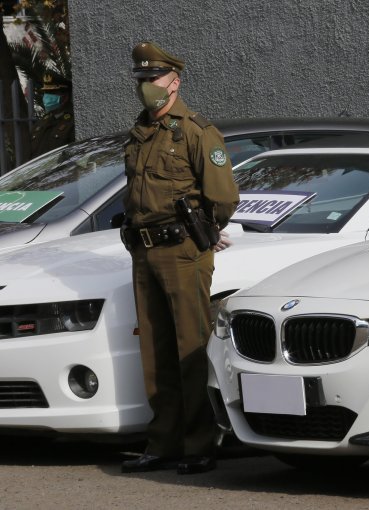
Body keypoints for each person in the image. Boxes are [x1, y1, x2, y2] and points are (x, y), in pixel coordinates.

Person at [119, 41, 238, 475]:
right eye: (142, 79)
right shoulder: (141, 132)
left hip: (183, 251)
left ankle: (199, 444)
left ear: (175, 81)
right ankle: (163, 442)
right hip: (144, 251)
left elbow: (223, 197)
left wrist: (201, 231)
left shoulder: (195, 131)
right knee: (155, 350)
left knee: (190, 347)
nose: (147, 85)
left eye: (153, 78)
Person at [29, 73, 75, 159]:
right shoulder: (41, 123)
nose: (47, 97)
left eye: (52, 93)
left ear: (65, 97)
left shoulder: (73, 122)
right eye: (46, 92)